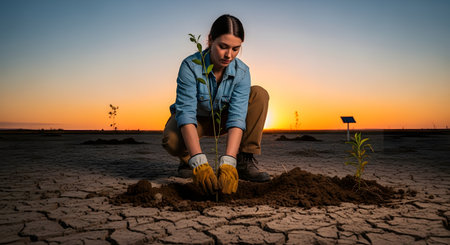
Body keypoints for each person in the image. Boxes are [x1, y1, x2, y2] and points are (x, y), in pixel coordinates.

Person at [162, 14, 270, 195]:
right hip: (196, 121)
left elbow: (237, 117)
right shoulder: (190, 66)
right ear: (210, 39)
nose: (229, 55)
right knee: (171, 141)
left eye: (236, 49)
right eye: (223, 47)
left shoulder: (242, 72)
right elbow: (186, 113)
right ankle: (188, 159)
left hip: (224, 120)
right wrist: (199, 161)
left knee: (259, 94)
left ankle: (243, 160)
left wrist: (229, 162)